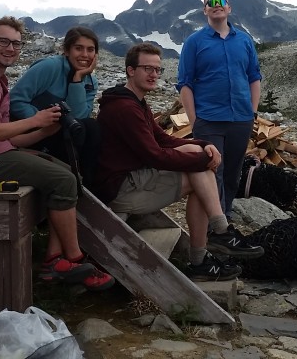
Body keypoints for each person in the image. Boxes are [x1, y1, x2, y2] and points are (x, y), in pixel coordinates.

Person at [0, 16, 114, 291]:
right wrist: (36, 120)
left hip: (0, 151)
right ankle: (72, 259)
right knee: (62, 180)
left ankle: (54, 261)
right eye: (4, 42)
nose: (10, 48)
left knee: (67, 171)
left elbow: (10, 136)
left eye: (15, 43)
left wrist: (47, 129)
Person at [94, 42, 264, 281]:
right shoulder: (125, 108)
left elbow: (163, 138)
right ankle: (217, 238)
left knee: (198, 170)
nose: (154, 74)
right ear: (131, 70)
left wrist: (202, 145)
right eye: (147, 69)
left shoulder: (135, 101)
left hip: (132, 179)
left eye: (157, 70)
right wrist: (199, 160)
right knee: (200, 172)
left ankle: (209, 247)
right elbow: (154, 154)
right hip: (121, 188)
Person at [177, 0, 262, 219]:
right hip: (209, 119)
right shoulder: (194, 42)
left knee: (233, 171)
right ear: (204, 10)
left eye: (220, 2)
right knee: (213, 170)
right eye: (211, 3)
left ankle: (226, 213)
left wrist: (252, 112)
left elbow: (254, 77)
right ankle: (217, 224)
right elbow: (185, 83)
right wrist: (195, 122)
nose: (216, 6)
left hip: (241, 119)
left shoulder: (244, 41)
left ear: (229, 7)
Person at [9, 26, 100, 180]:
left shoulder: (90, 82)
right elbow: (15, 100)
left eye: (90, 50)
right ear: (66, 50)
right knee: (88, 130)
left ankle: (88, 183)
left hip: (58, 133)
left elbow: (78, 117)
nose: (85, 55)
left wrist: (76, 79)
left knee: (91, 127)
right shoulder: (50, 67)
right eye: (79, 48)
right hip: (29, 132)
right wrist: (40, 118)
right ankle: (82, 183)